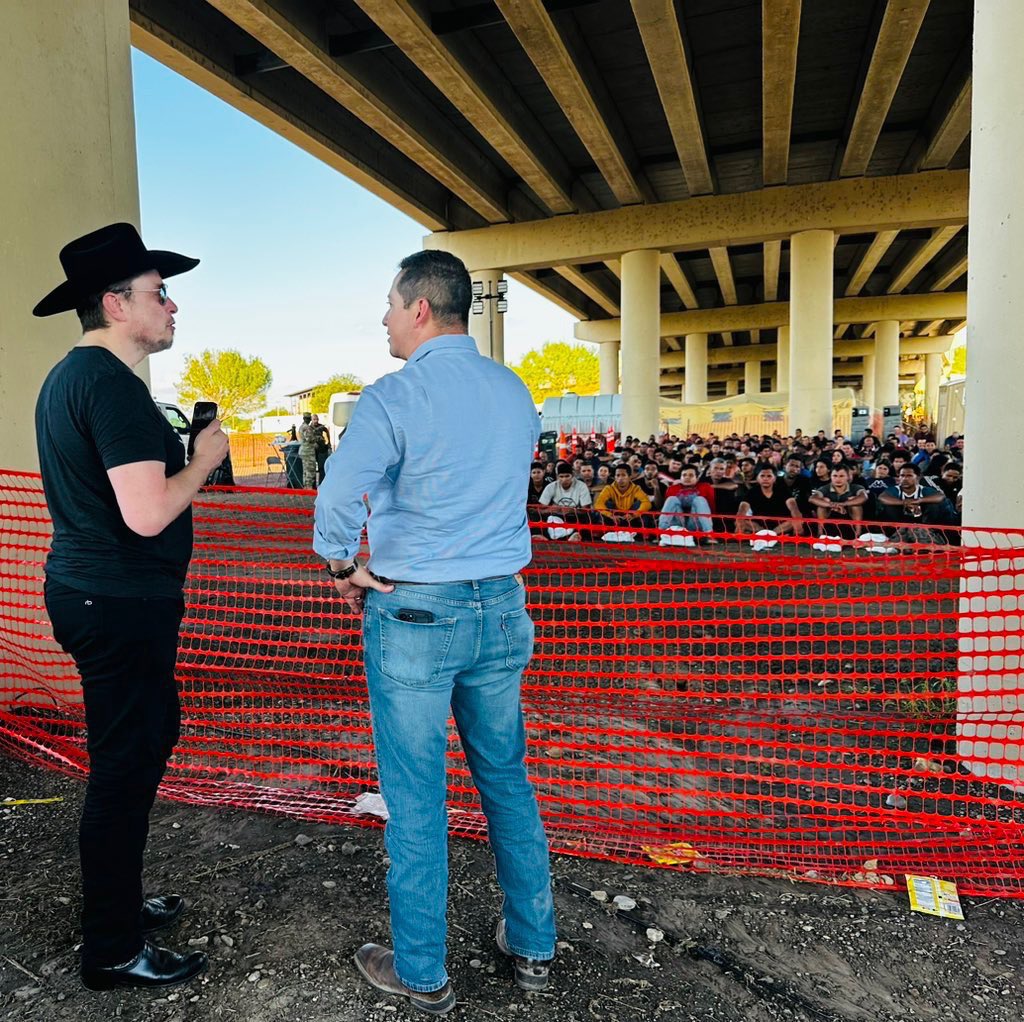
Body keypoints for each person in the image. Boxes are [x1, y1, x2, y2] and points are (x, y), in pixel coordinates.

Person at [313, 251, 555, 1013]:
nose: (384, 319)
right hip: (501, 607)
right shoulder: (515, 393)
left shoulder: (392, 397)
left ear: (420, 307)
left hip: (417, 611)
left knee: (415, 797)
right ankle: (533, 945)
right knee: (508, 782)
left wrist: (341, 566)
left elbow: (337, 499)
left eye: (389, 305)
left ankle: (422, 971)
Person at [32, 222, 228, 990]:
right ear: (116, 303)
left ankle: (120, 903)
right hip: (115, 599)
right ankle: (111, 948)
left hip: (104, 595)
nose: (172, 305)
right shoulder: (110, 386)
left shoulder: (73, 379)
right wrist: (205, 463)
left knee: (140, 749)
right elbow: (148, 514)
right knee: (122, 768)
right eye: (158, 292)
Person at [736, 467, 802, 536]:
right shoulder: (752, 492)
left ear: (774, 478)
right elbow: (742, 509)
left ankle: (769, 534)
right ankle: (767, 534)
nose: (765, 478)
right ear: (757, 478)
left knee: (796, 521)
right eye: (762, 476)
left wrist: (797, 520)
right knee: (739, 521)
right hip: (758, 526)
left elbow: (794, 508)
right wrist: (740, 521)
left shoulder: (783, 490)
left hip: (780, 526)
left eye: (769, 476)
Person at [659, 465, 716, 541]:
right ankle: (660, 532)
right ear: (680, 477)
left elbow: (711, 507)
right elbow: (667, 509)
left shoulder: (705, 487)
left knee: (700, 499)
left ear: (697, 478)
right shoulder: (672, 489)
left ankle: (709, 534)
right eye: (684, 475)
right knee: (671, 499)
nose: (687, 477)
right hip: (677, 524)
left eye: (691, 475)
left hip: (695, 523)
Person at [809, 464, 868, 539]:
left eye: (841, 476)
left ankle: (858, 535)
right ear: (831, 477)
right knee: (822, 503)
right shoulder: (825, 488)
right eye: (835, 476)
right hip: (830, 516)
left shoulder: (856, 487)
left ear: (847, 477)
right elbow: (812, 498)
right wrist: (832, 505)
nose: (838, 479)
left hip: (849, 517)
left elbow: (864, 497)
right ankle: (820, 534)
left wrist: (843, 504)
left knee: (855, 504)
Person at [539, 462, 592, 541]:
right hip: (556, 516)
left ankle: (574, 536)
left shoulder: (581, 486)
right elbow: (540, 508)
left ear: (572, 475)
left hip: (574, 516)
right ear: (557, 477)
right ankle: (544, 535)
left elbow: (586, 510)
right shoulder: (551, 487)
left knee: (585, 518)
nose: (564, 479)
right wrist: (550, 510)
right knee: (544, 518)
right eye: (561, 476)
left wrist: (573, 510)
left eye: (567, 476)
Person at [594, 464, 652, 535]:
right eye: (618, 475)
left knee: (640, 504)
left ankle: (642, 533)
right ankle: (603, 532)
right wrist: (610, 515)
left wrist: (633, 515)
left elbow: (647, 503)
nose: (620, 478)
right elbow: (598, 504)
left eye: (623, 475)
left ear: (629, 477)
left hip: (630, 518)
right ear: (615, 477)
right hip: (614, 518)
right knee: (606, 505)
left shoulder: (636, 488)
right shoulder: (608, 488)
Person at [310, 412, 332, 484]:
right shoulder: (309, 428)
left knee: (321, 467)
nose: (315, 421)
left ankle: (322, 483)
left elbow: (327, 431)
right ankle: (313, 485)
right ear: (311, 420)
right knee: (312, 468)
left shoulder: (321, 426)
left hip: (321, 449)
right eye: (314, 419)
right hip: (312, 450)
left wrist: (328, 442)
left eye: (316, 419)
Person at [298, 411, 317, 489]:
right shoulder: (307, 427)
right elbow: (309, 438)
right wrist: (316, 439)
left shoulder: (301, 426)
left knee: (305, 471)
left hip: (304, 451)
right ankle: (309, 488)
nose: (309, 420)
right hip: (308, 451)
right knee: (310, 470)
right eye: (308, 419)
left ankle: (306, 487)